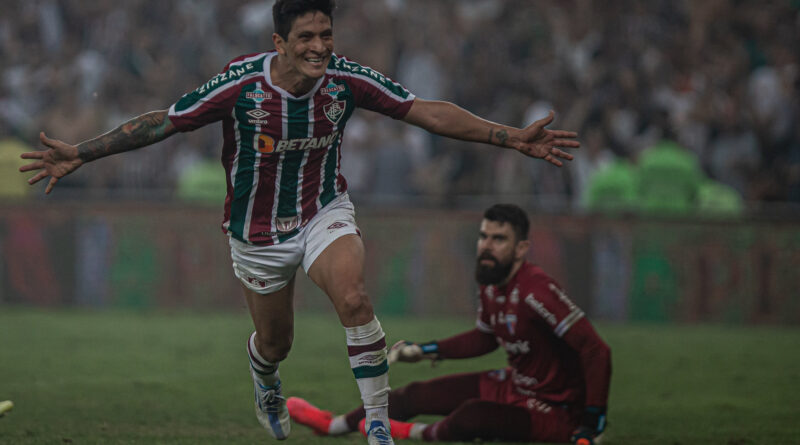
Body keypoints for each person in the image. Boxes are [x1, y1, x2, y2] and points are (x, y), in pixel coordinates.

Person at [18, 1, 580, 443]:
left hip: (323, 213)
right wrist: (83, 153)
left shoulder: (347, 80)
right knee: (276, 342)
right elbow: (161, 123)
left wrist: (508, 136)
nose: (319, 47)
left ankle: (378, 426)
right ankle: (265, 379)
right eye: (306, 38)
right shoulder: (239, 85)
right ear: (279, 42)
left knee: (355, 301)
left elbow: (426, 110)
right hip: (256, 235)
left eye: (326, 36)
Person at [288, 204, 611, 444]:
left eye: (499, 239)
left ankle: (416, 433)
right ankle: (333, 426)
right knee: (413, 395)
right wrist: (426, 350)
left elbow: (596, 350)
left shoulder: (536, 290)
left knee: (473, 416)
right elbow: (484, 340)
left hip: (557, 408)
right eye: (484, 236)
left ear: (521, 249)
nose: (486, 245)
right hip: (516, 384)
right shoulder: (490, 281)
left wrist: (591, 420)